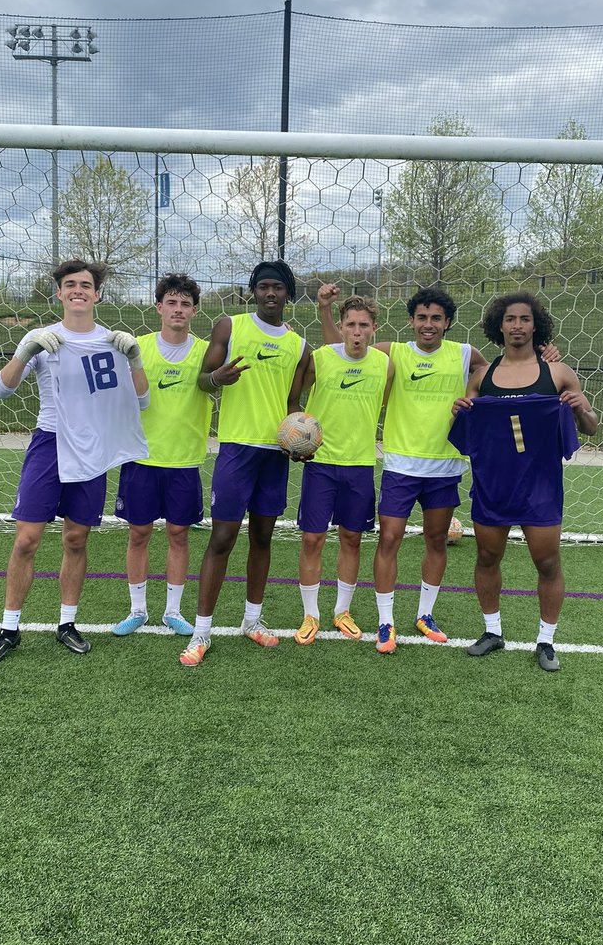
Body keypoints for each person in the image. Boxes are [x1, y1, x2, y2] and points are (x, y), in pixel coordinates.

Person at [0, 260, 150, 668]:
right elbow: (1, 390)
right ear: (59, 293)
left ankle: (67, 623)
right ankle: (9, 628)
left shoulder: (113, 341)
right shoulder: (42, 338)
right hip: (50, 444)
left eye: (85, 285)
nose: (78, 290)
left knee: (76, 540)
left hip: (91, 450)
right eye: (70, 284)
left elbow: (141, 401)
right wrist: (25, 350)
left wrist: (136, 359)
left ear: (97, 294)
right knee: (26, 540)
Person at [319, 284, 489, 654]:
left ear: (447, 323)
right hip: (400, 466)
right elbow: (341, 352)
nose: (428, 325)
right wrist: (328, 313)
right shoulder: (392, 353)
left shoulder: (465, 354)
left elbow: (495, 375)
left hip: (444, 467)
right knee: (389, 539)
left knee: (435, 541)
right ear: (411, 321)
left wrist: (473, 398)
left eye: (436, 319)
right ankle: (386, 621)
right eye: (422, 317)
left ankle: (425, 615)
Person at [449, 291, 598, 672]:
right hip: (492, 484)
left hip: (540, 486)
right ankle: (492, 631)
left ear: (537, 325)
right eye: (511, 319)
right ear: (499, 325)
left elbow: (590, 429)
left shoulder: (559, 373)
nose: (518, 325)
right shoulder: (482, 377)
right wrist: (460, 411)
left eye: (525, 319)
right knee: (486, 557)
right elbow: (463, 435)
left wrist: (582, 408)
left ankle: (546, 640)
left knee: (547, 562)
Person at [179, 260, 311, 667]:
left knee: (263, 539)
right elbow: (202, 380)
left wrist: (301, 438)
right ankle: (201, 632)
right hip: (237, 449)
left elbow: (293, 405)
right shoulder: (229, 326)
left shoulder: (300, 347)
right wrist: (218, 378)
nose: (270, 293)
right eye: (263, 287)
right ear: (253, 291)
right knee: (222, 539)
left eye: (278, 287)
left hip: (275, 454)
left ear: (289, 294)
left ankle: (252, 620)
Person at [111, 274, 210, 638]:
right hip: (142, 458)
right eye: (172, 302)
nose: (178, 309)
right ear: (159, 308)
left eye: (185, 304)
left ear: (194, 311)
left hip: (184, 461)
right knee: (138, 534)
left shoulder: (205, 351)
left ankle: (172, 611)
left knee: (178, 534)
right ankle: (137, 609)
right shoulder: (137, 348)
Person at [292, 293, 394, 646]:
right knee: (312, 539)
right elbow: (293, 397)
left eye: (363, 325)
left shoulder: (384, 364)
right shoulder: (320, 359)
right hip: (321, 465)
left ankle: (342, 611)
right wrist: (295, 435)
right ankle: (311, 614)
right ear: (340, 326)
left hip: (360, 465)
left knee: (352, 539)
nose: (356, 331)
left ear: (374, 329)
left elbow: (389, 401)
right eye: (350, 324)